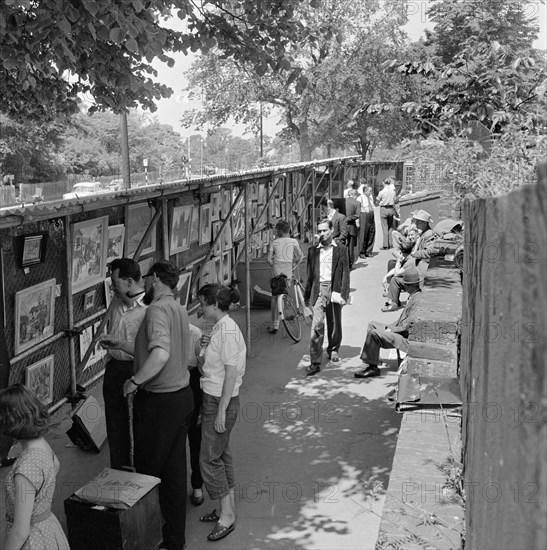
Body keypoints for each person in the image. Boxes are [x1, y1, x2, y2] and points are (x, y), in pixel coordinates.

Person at [122, 260, 194, 550]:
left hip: (159, 403)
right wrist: (121, 343)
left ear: (154, 280)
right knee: (175, 474)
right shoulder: (178, 308)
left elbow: (161, 354)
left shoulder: (155, 310)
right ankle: (175, 540)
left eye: (147, 278)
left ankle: (144, 538)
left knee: (146, 475)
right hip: (181, 398)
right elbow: (168, 351)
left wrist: (135, 382)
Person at [196, 283, 246, 542]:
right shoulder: (220, 328)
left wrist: (221, 411)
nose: (201, 308)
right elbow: (211, 366)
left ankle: (227, 516)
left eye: (204, 303)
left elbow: (231, 373)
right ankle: (227, 507)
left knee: (208, 458)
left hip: (220, 400)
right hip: (215, 398)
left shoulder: (226, 331)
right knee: (221, 454)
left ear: (215, 304)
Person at [0, 384, 70, 550]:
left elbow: (20, 530)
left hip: (33, 540)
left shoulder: (26, 469)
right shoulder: (43, 446)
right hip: (48, 530)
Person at [98, 258, 147, 470]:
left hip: (138, 370)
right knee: (115, 424)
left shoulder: (150, 308)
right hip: (114, 369)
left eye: (115, 282)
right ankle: (119, 470)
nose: (112, 287)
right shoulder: (116, 303)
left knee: (139, 424)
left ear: (128, 282)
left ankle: (141, 471)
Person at [354, 266, 423, 378]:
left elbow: (409, 326)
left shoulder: (418, 300)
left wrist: (390, 329)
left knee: (374, 334)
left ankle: (373, 368)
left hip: (405, 338)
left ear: (409, 285)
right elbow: (403, 320)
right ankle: (373, 358)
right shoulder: (414, 296)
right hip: (400, 330)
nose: (403, 287)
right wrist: (390, 326)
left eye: (405, 284)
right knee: (372, 324)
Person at [304, 219, 350, 375]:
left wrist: (344, 294)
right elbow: (310, 275)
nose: (321, 234)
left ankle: (333, 348)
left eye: (324, 230)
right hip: (318, 290)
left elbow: (345, 273)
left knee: (334, 321)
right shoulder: (312, 251)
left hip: (334, 288)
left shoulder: (341, 249)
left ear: (332, 231)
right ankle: (315, 362)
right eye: (319, 231)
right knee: (317, 324)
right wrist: (306, 295)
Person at [266, 220, 303, 334]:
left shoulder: (274, 242)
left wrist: (274, 265)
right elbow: (300, 257)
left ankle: (274, 324)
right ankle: (283, 311)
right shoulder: (294, 241)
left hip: (276, 272)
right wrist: (294, 264)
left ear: (280, 231)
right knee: (284, 293)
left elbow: (268, 259)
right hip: (288, 271)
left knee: (274, 297)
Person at [188, 323, 205, 507]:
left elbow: (204, 365)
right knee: (194, 439)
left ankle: (197, 485)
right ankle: (197, 487)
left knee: (195, 439)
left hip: (189, 383)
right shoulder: (194, 331)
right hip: (179, 382)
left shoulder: (193, 332)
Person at [381, 240, 416, 311]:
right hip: (411, 281)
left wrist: (398, 260)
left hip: (413, 284)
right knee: (395, 276)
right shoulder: (409, 258)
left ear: (401, 252)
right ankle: (394, 299)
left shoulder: (409, 261)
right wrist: (386, 276)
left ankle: (393, 303)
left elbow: (397, 273)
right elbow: (396, 270)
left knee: (395, 279)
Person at [377, 177, 397, 249]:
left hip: (384, 208)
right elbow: (395, 200)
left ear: (383, 183)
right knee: (390, 226)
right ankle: (390, 243)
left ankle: (385, 245)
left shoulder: (381, 192)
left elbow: (377, 200)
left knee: (384, 226)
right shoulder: (393, 192)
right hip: (391, 208)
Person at [357, 184, 376, 258]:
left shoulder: (370, 198)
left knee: (372, 233)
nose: (371, 193)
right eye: (370, 191)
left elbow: (373, 206)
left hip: (371, 214)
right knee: (363, 234)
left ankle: (369, 251)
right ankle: (362, 252)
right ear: (365, 191)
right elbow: (359, 209)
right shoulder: (360, 198)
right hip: (364, 215)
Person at [344, 189, 361, 269]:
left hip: (342, 226)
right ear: (355, 195)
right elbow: (357, 215)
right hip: (351, 226)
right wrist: (349, 218)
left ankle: (343, 263)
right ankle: (350, 264)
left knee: (343, 244)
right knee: (350, 246)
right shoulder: (357, 203)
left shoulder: (343, 201)